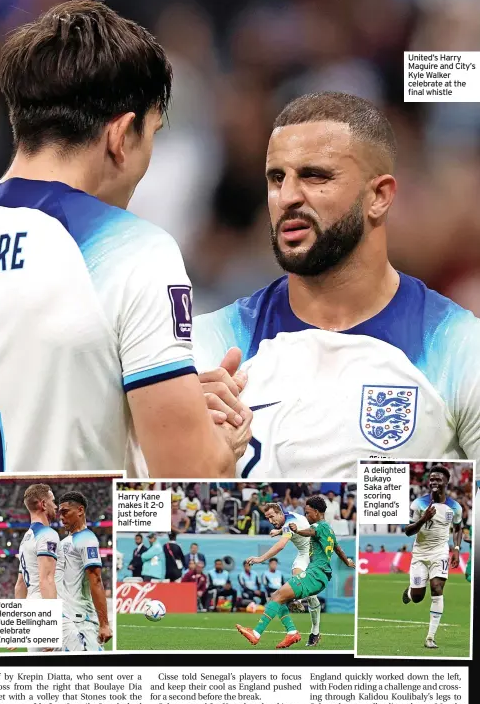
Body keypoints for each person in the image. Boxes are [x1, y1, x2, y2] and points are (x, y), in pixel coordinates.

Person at [0, 0, 251, 589]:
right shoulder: (133, 249)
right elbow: (186, 484)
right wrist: (220, 440)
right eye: (153, 136)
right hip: (39, 606)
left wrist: (148, 404)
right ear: (122, 135)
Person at [193, 91, 480, 478]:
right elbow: (155, 524)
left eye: (314, 176)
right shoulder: (209, 347)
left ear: (379, 196)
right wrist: (201, 465)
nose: (288, 197)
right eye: (277, 178)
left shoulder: (460, 347)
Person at [237, 496, 355, 649]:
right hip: (309, 562)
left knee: (282, 595)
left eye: (272, 516)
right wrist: (347, 562)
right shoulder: (320, 526)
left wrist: (261, 558)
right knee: (281, 596)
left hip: (314, 567)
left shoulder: (315, 526)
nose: (270, 520)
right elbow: (336, 547)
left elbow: (293, 538)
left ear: (280, 513)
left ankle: (295, 612)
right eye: (267, 518)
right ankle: (296, 630)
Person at [402, 465, 463, 649]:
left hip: (440, 552)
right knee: (419, 596)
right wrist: (423, 519)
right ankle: (411, 591)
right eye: (432, 479)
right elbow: (407, 532)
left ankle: (430, 637)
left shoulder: (455, 507)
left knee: (437, 588)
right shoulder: (418, 504)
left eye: (438, 479)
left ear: (446, 482)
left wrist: (457, 549)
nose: (434, 482)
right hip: (420, 553)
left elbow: (459, 527)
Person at [59, 491, 112, 651]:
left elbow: (95, 579)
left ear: (80, 510)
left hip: (82, 620)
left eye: (65, 512)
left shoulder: (86, 539)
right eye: (59, 513)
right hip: (69, 621)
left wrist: (104, 624)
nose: (61, 518)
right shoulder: (64, 542)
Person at [15, 483, 64, 601]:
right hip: (44, 604)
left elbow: (20, 585)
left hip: (32, 605)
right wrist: (52, 616)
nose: (56, 506)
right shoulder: (48, 534)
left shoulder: (26, 538)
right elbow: (46, 580)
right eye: (52, 501)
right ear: (43, 504)